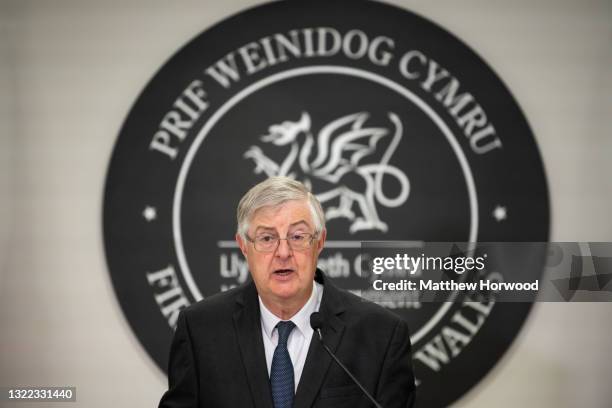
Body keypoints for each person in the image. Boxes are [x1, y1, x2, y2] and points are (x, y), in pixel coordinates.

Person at [158, 176, 416, 408]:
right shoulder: (201, 330)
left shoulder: (381, 334)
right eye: (267, 238)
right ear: (244, 246)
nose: (283, 253)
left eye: (297, 236)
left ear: (320, 241)